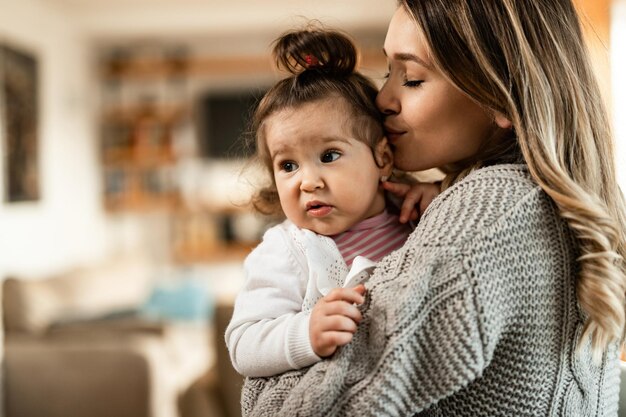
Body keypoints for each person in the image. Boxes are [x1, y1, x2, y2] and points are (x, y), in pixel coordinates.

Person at [240, 1, 626, 415]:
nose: (383, 99)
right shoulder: (534, 203)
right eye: (390, 72)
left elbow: (291, 408)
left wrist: (262, 387)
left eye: (412, 79)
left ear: (498, 94)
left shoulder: (485, 215)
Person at [225, 27, 440, 378]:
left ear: (382, 159)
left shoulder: (416, 215)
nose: (308, 182)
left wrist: (439, 195)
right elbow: (243, 344)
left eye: (329, 155)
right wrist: (306, 333)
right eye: (288, 165)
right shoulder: (286, 250)